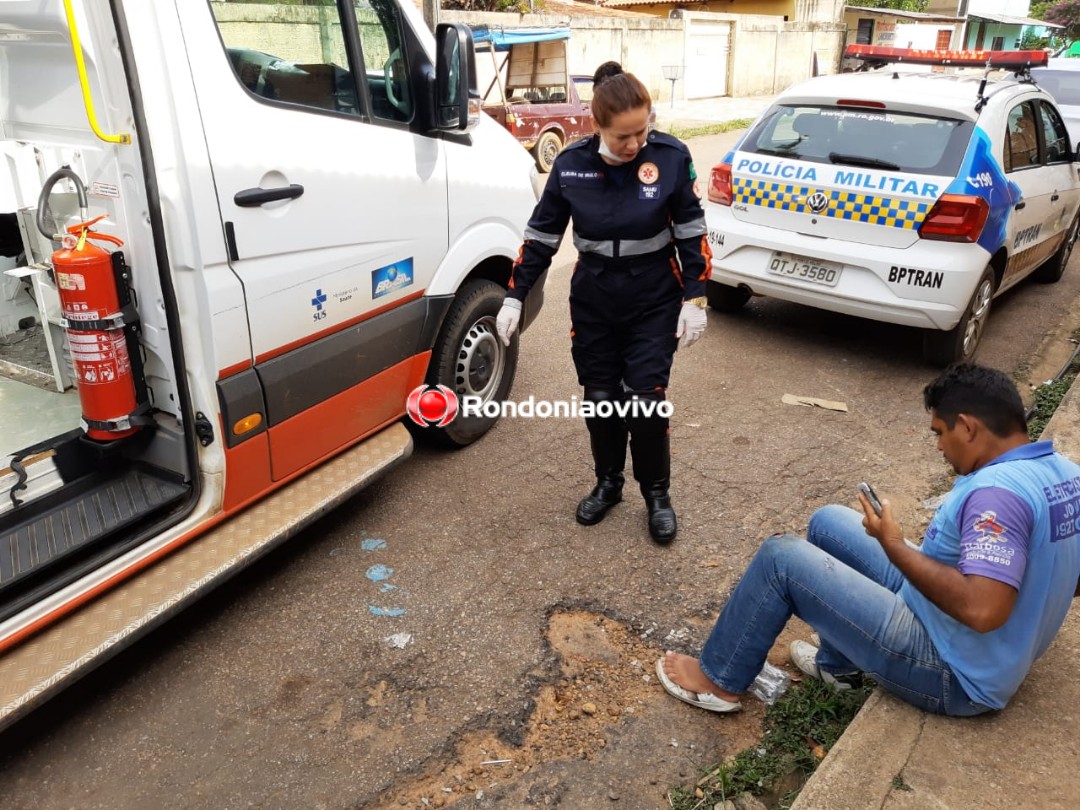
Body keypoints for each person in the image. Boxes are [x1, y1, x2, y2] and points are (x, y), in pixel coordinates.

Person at [656, 363, 1080, 716]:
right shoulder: (1065, 473)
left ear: (967, 427)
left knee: (780, 559)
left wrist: (893, 544)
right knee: (828, 522)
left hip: (954, 671)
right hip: (953, 631)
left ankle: (718, 681)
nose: (938, 447)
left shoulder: (996, 496)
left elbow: (983, 610)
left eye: (939, 433)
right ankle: (838, 669)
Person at [495, 61, 712, 544]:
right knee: (601, 401)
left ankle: (657, 493)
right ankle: (609, 483)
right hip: (594, 300)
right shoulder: (571, 165)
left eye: (643, 130)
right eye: (623, 137)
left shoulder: (671, 157)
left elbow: (692, 230)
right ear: (598, 128)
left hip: (654, 299)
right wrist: (514, 298)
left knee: (645, 402)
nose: (635, 144)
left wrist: (695, 297)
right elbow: (542, 236)